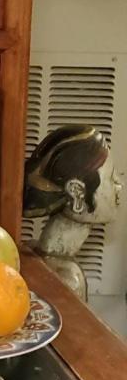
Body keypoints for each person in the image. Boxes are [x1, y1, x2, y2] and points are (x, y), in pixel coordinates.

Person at [25, 125, 124, 297]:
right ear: (77, 193)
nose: (119, 186)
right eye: (112, 177)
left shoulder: (32, 248)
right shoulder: (68, 280)